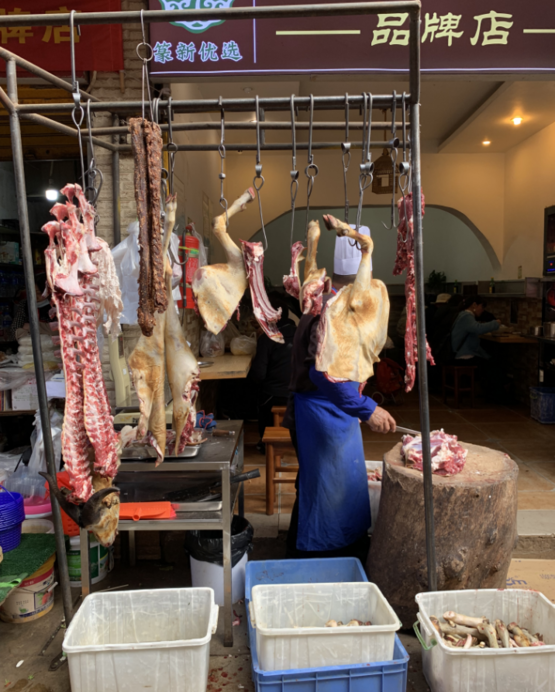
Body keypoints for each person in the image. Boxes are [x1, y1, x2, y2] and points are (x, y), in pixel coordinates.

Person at [283, 229, 396, 562]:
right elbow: (322, 373)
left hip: (330, 409)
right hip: (320, 411)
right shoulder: (333, 308)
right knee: (326, 486)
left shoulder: (329, 298)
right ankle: (319, 556)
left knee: (323, 483)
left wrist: (356, 404)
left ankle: (307, 547)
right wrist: (365, 408)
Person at [249, 292, 296, 453]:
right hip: (299, 393)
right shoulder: (300, 333)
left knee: (257, 393)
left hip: (275, 395)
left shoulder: (269, 338)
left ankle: (265, 443)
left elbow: (258, 375)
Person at [451, 296, 506, 399]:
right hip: (464, 356)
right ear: (474, 305)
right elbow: (478, 328)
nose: (483, 310)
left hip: (460, 353)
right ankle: (497, 396)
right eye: (482, 307)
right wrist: (495, 323)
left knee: (491, 361)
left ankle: (493, 393)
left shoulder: (463, 315)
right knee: (494, 366)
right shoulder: (466, 316)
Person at [8, 273, 50, 342]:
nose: (35, 296)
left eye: (39, 293)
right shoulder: (24, 304)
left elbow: (56, 331)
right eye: (32, 292)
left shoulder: (55, 305)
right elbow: (14, 329)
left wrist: (30, 327)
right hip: (27, 345)